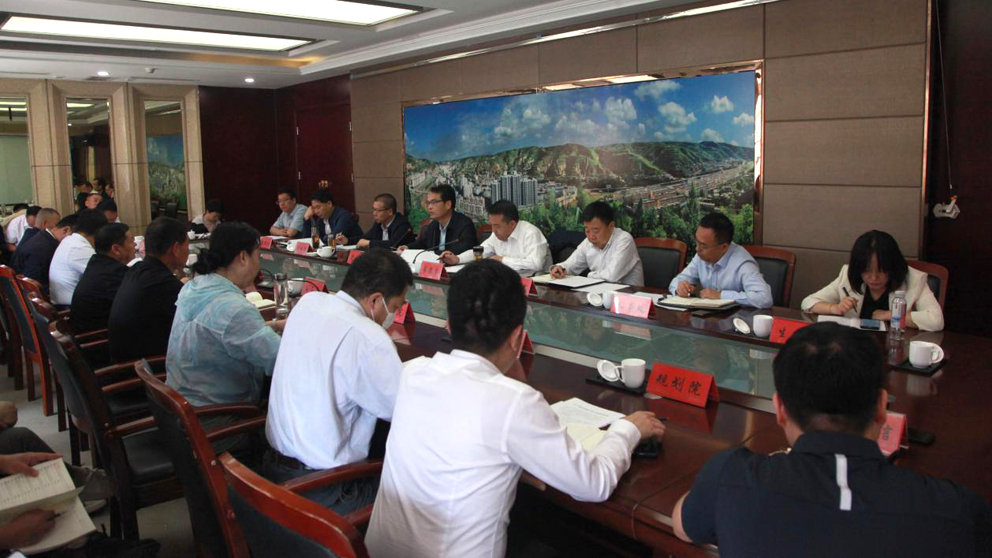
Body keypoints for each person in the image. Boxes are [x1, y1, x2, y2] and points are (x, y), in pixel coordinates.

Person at [365, 260, 666, 558]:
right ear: (517, 338)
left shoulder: (413, 373)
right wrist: (627, 430)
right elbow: (594, 484)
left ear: (449, 325)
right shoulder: (514, 402)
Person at [671, 323, 992, 556]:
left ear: (780, 409)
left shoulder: (730, 475)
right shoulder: (958, 511)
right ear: (882, 407)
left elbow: (683, 524)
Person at [264, 248, 413, 512]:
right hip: (324, 489)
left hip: (273, 470)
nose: (393, 315)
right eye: (395, 306)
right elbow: (404, 411)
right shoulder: (369, 337)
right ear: (375, 300)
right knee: (421, 495)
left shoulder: (308, 304)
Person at [167, 222, 284, 451]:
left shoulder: (194, 287)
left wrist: (272, 324)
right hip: (218, 423)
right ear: (243, 257)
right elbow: (281, 361)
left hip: (184, 412)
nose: (259, 264)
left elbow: (221, 331)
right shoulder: (233, 307)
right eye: (258, 255)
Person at [801, 230, 944, 331]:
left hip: (895, 349)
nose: (874, 278)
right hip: (854, 347)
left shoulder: (914, 279)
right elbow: (808, 302)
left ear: (893, 266)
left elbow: (936, 320)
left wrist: (888, 315)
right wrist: (834, 308)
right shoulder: (847, 275)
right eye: (867, 270)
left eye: (881, 271)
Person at [108, 217, 188, 362]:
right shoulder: (163, 284)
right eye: (187, 245)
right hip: (145, 369)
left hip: (127, 359)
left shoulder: (138, 269)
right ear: (176, 248)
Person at [668, 212, 772, 308]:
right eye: (697, 242)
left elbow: (764, 298)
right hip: (708, 317)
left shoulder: (743, 263)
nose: (697, 249)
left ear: (724, 247)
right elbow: (677, 281)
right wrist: (680, 288)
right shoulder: (701, 255)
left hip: (737, 319)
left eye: (703, 245)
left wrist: (721, 295)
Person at [440, 200, 551, 277]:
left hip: (534, 286)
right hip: (504, 282)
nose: (493, 230)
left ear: (512, 224)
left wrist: (502, 260)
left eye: (497, 226)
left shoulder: (531, 233)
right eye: (492, 225)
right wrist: (457, 259)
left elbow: (536, 264)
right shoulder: (496, 235)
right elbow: (480, 252)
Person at [550, 201, 644, 286]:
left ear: (611, 226)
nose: (591, 236)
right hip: (599, 295)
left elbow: (611, 277)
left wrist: (589, 275)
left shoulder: (624, 240)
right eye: (587, 230)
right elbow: (570, 265)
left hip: (628, 296)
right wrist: (560, 268)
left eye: (595, 231)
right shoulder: (588, 242)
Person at [70, 223, 135, 334]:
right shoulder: (112, 275)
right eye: (131, 241)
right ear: (116, 249)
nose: (135, 245)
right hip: (98, 339)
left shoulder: (98, 263)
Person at [48, 209, 108, 306]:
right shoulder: (79, 247)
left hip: (65, 301)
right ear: (100, 233)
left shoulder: (70, 240)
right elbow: (105, 275)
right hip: (70, 306)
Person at [400, 184, 477, 255]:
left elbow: (464, 251)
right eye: (428, 203)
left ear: (448, 204)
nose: (429, 207)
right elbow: (422, 244)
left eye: (434, 202)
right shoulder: (434, 225)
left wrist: (431, 254)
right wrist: (407, 248)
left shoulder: (464, 225)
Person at [12, 211, 70, 286]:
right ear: (44, 223)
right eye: (56, 224)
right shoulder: (42, 246)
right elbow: (34, 281)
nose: (57, 227)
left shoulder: (33, 235)